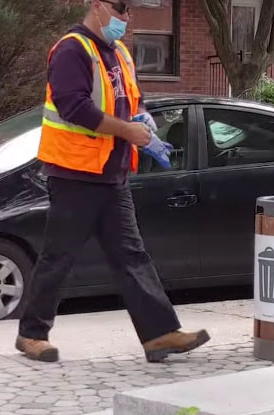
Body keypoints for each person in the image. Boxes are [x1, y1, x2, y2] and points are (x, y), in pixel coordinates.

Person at [15, 0, 210, 363]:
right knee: (59, 257)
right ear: (96, 6)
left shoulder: (119, 51)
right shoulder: (72, 49)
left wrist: (144, 119)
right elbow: (74, 107)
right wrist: (128, 130)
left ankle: (159, 334)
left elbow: (132, 100)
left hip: (111, 173)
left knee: (131, 255)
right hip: (74, 173)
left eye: (130, 9)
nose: (127, 17)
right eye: (121, 8)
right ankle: (31, 334)